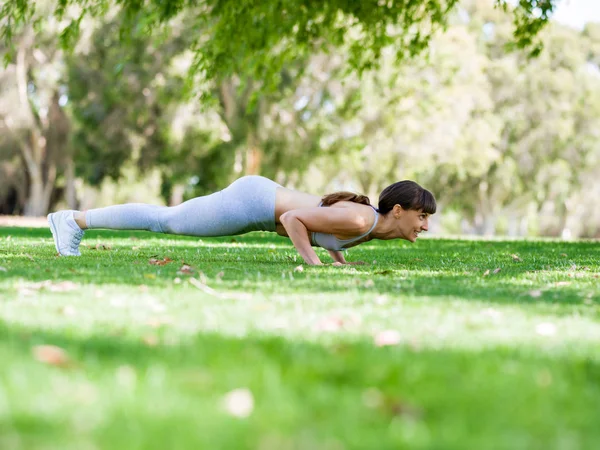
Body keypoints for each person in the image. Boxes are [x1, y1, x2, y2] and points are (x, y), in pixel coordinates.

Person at [47, 175, 436, 265]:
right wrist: (313, 263)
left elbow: (325, 229)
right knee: (166, 221)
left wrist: (339, 259)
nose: (426, 226)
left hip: (259, 201)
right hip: (254, 203)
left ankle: (74, 221)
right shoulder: (360, 218)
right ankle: (73, 221)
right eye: (422, 217)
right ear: (398, 211)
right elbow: (296, 218)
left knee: (167, 219)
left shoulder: (371, 225)